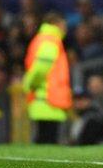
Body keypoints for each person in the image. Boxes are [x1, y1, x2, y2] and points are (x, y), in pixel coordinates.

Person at [23, 12, 72, 144]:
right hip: (48, 101)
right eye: (64, 25)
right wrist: (30, 83)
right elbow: (41, 67)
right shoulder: (50, 41)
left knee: (43, 139)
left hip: (44, 100)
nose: (65, 29)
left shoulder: (44, 39)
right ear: (56, 24)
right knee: (47, 140)